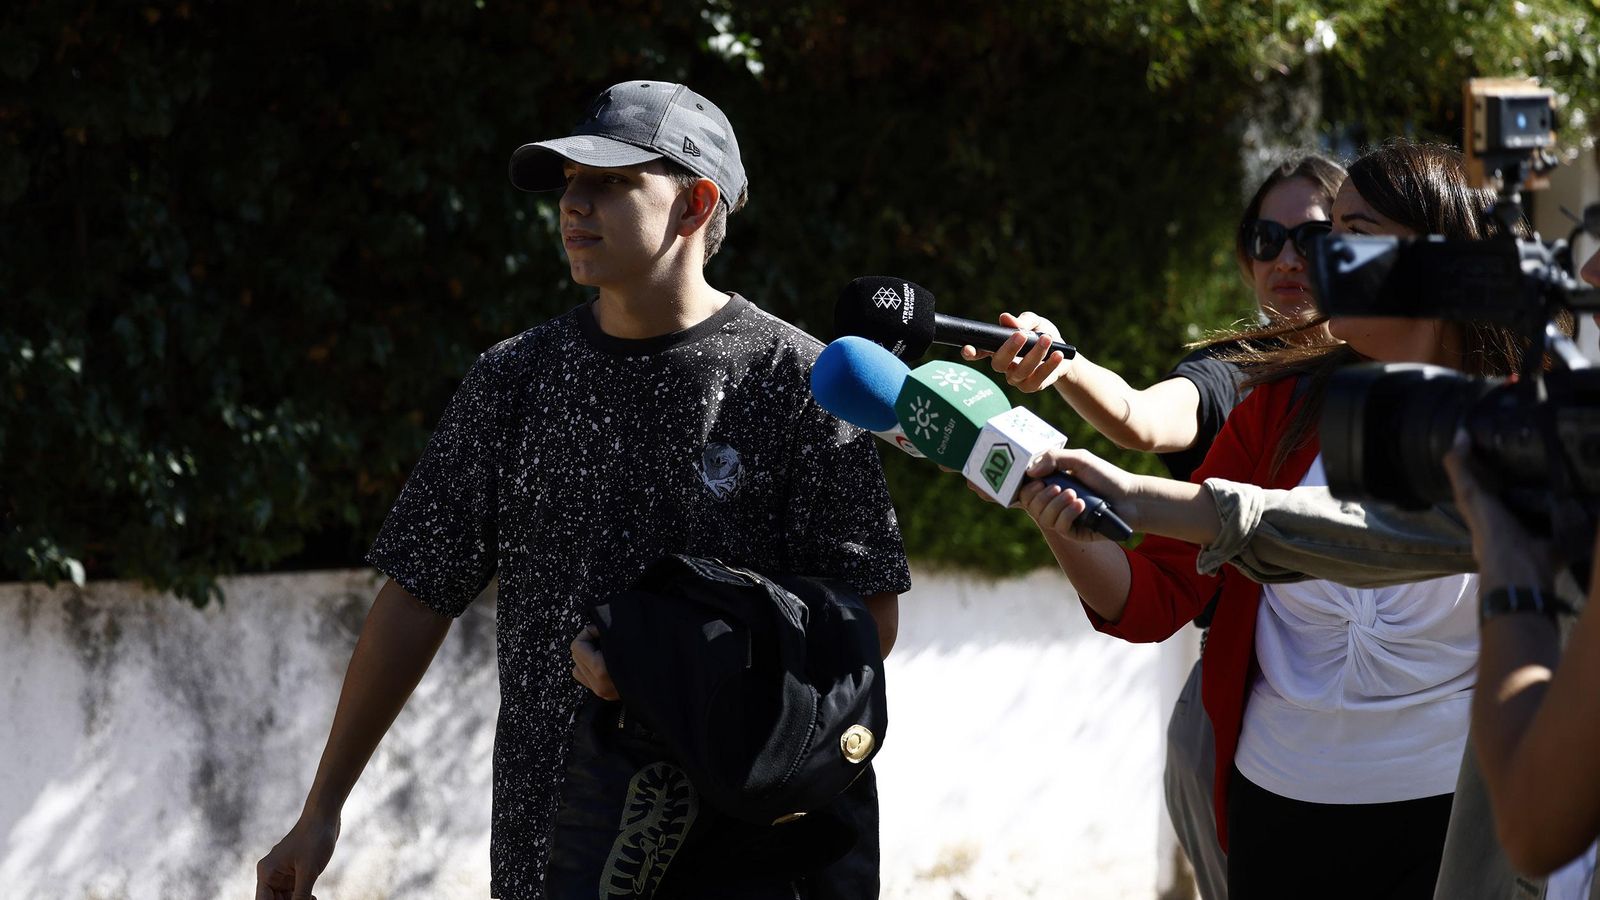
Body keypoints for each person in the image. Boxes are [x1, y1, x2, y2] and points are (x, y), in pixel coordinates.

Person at [254, 80, 911, 900]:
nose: (574, 203)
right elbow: (417, 593)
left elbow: (865, 620)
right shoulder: (512, 379)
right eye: (569, 181)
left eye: (612, 181)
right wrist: (321, 810)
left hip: (750, 854)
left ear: (696, 203)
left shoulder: (801, 381)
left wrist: (665, 668)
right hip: (546, 851)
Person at [1012, 140, 1533, 899]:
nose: (1318, 259)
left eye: (1349, 234)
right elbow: (1154, 594)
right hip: (1275, 808)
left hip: (1454, 819)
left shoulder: (1528, 423)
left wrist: (1136, 494)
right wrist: (1064, 522)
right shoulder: (1278, 410)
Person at [962, 153, 1345, 899]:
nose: (1287, 260)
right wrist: (1061, 365)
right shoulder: (1244, 378)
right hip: (1247, 710)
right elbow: (1141, 418)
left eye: (1317, 238)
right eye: (1266, 239)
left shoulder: (1441, 384)